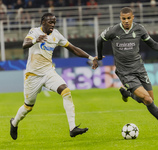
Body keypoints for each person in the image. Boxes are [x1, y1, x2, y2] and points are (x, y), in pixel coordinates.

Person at [96, 7, 158, 136]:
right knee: (147, 99)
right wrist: (99, 58)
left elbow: (153, 44)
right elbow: (99, 40)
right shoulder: (113, 31)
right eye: (124, 18)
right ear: (120, 18)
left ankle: (127, 94)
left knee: (149, 100)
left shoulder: (139, 29)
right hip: (125, 72)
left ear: (133, 17)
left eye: (128, 18)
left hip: (140, 68)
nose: (126, 21)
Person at [10, 12, 98, 140]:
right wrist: (36, 40)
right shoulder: (34, 32)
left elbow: (73, 48)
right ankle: (14, 123)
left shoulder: (56, 35)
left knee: (66, 91)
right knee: (28, 107)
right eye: (50, 22)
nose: (53, 25)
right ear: (43, 22)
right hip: (33, 75)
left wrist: (91, 57)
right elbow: (25, 44)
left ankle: (72, 128)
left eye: (54, 22)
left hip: (48, 72)